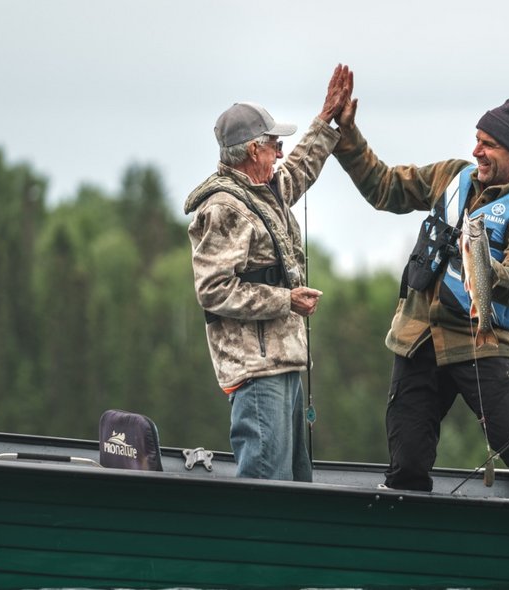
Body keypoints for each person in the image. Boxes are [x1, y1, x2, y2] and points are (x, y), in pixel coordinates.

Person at [331, 93, 509, 491]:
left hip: (481, 341)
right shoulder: (452, 175)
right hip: (418, 337)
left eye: (488, 144)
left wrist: (481, 264)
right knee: (407, 461)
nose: (476, 150)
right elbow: (385, 187)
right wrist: (347, 136)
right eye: (477, 139)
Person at [183, 64, 352, 482]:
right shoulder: (224, 208)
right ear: (254, 150)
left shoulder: (265, 190)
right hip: (257, 372)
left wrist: (326, 120)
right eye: (275, 144)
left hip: (283, 363)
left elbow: (301, 167)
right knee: (266, 488)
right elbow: (214, 289)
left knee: (295, 485)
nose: (280, 151)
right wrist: (285, 300)